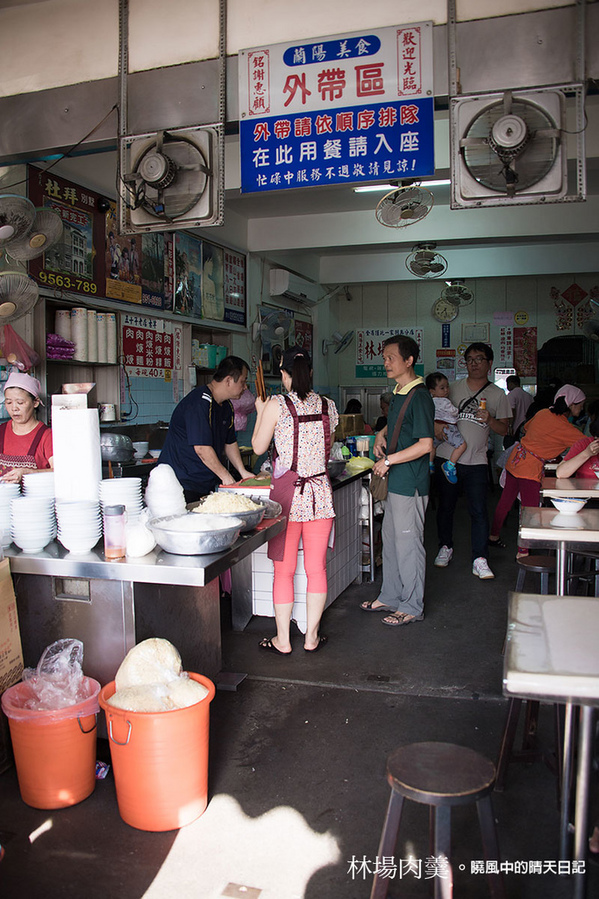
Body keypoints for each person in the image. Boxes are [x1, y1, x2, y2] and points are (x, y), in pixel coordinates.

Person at [252, 346, 339, 654]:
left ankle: (283, 640)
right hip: (320, 493)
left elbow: (258, 446)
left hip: (288, 495)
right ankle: (311, 638)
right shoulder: (328, 405)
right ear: (310, 372)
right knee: (317, 569)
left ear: (283, 374)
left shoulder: (276, 404)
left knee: (284, 570)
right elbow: (326, 443)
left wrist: (261, 411)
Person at [359, 335, 434, 626]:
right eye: (384, 358)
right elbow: (401, 422)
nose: (386, 363)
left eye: (391, 358)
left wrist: (388, 461)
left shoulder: (420, 396)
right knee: (390, 542)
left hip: (410, 483)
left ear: (409, 360)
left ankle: (412, 606)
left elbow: (425, 444)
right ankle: (390, 595)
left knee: (409, 545)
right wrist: (381, 434)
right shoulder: (401, 391)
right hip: (396, 481)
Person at [433, 343, 511, 579]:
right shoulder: (452, 388)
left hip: (476, 461)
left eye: (479, 359)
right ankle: (445, 546)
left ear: (490, 363)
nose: (474, 363)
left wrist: (490, 420)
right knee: (445, 507)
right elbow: (433, 411)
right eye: (469, 359)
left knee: (479, 511)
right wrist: (436, 429)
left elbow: (505, 430)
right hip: (447, 457)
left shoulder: (498, 395)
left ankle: (480, 558)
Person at [489, 385, 586, 553]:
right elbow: (588, 446)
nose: (582, 408)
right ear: (571, 404)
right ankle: (523, 551)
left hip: (516, 459)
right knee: (531, 510)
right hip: (530, 468)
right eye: (581, 405)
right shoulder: (566, 428)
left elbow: (526, 428)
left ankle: (493, 536)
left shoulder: (543, 413)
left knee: (505, 502)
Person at [159, 356, 254, 503]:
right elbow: (202, 448)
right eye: (243, 381)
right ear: (229, 380)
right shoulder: (199, 402)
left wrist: (242, 472)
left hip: (203, 481)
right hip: (181, 483)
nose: (245, 387)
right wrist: (226, 476)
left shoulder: (226, 406)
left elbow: (229, 442)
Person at [0, 372, 53, 483]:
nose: (14, 408)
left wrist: (29, 473)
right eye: (8, 402)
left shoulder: (47, 436)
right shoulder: (1, 431)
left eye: (20, 403)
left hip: (36, 493)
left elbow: (60, 471)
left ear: (35, 402)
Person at [425, 371, 467, 484]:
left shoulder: (429, 402)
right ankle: (450, 465)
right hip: (447, 427)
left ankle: (430, 464)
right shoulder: (445, 401)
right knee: (462, 446)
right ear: (432, 391)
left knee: (432, 447)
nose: (446, 390)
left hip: (434, 429)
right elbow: (454, 412)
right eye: (442, 388)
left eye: (447, 387)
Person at [505, 375, 533, 445]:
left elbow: (512, 411)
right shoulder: (529, 396)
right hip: (528, 427)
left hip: (516, 427)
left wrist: (510, 426)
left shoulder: (512, 395)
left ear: (511, 383)